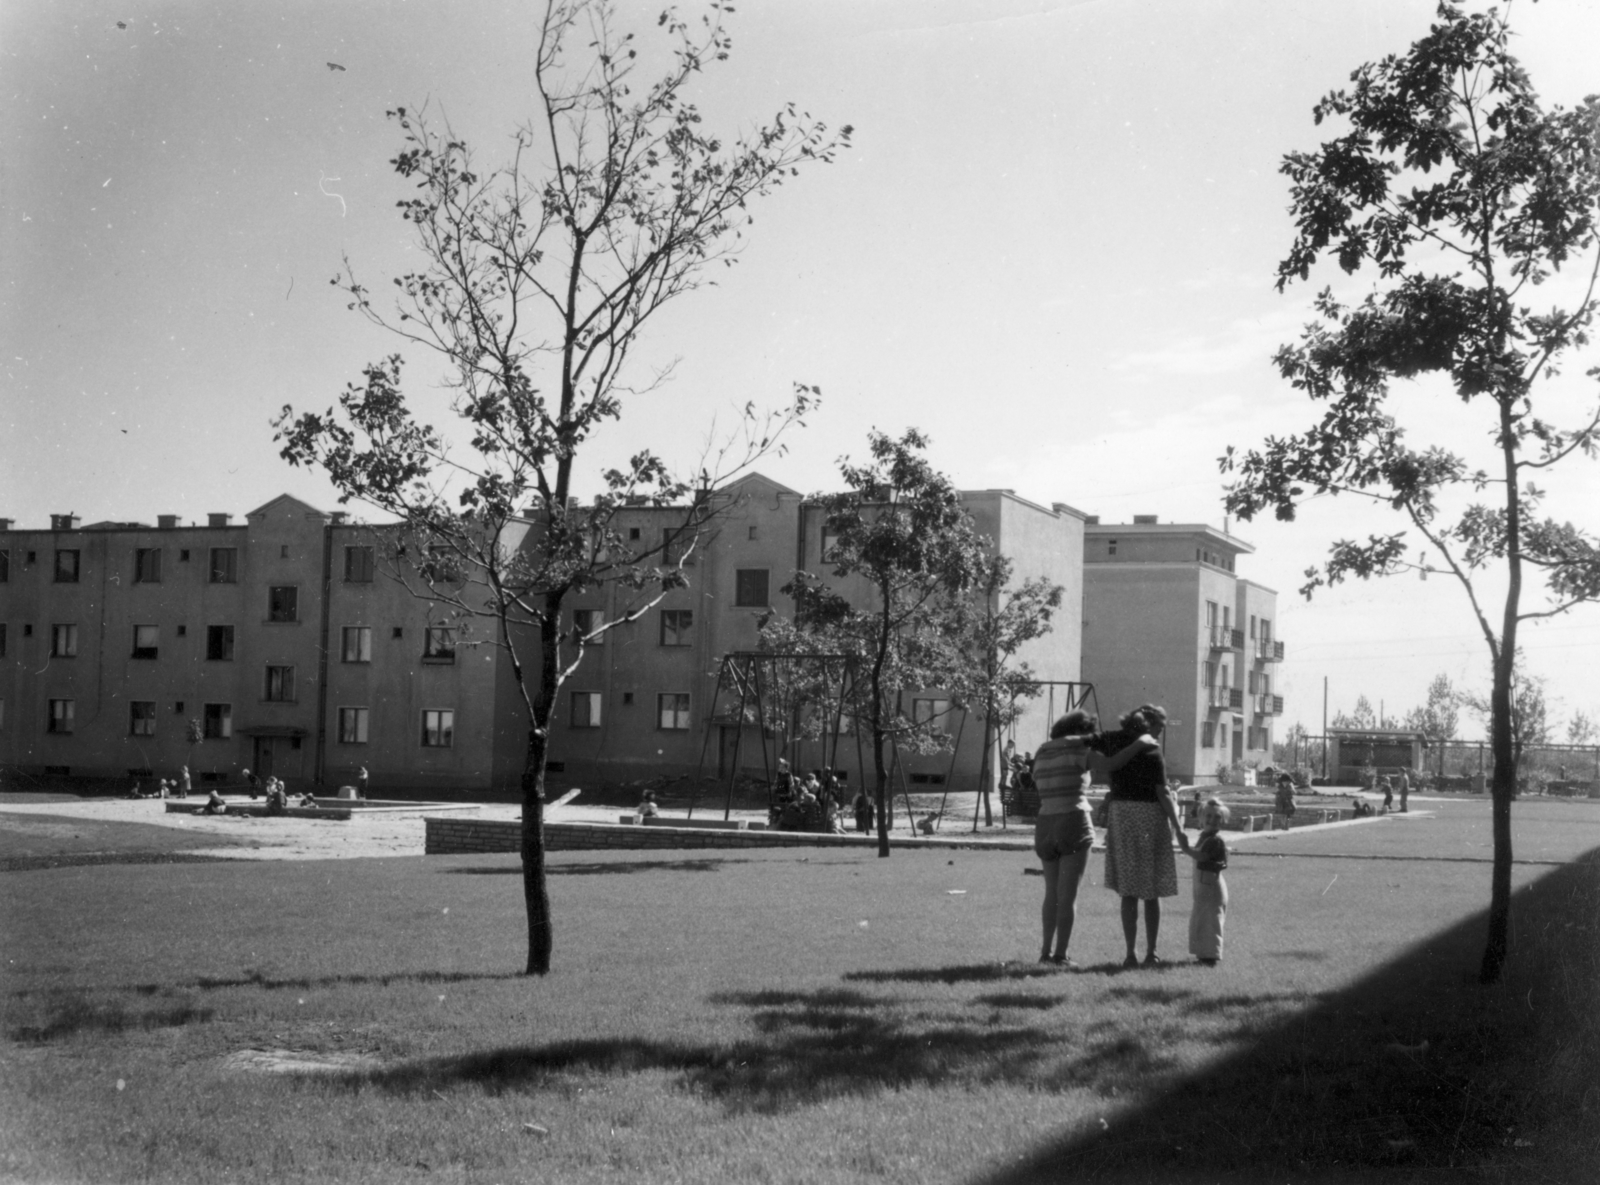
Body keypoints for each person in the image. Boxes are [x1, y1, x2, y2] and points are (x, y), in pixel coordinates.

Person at [1093, 704, 1189, 969]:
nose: (1159, 733)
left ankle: (1130, 954)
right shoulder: (1152, 751)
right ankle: (1152, 952)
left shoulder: (1115, 744)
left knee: (1128, 890)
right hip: (1148, 820)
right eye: (1159, 727)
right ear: (1149, 725)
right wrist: (1178, 828)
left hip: (1121, 818)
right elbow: (1163, 792)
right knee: (1151, 890)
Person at [1030, 710, 1100, 968]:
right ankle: (1061, 955)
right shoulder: (1081, 750)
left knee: (1051, 894)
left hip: (1045, 821)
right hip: (1073, 819)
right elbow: (1110, 765)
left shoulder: (1042, 752)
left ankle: (1045, 951)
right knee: (1068, 896)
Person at [1185, 798, 1231, 966]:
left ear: (1223, 820)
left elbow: (1202, 856)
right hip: (1203, 887)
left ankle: (1210, 957)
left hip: (1211, 888)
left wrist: (1185, 849)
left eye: (1217, 817)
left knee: (1211, 921)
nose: (1212, 820)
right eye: (1209, 816)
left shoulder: (1215, 841)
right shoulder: (1204, 837)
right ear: (1201, 818)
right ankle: (1203, 955)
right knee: (1202, 920)